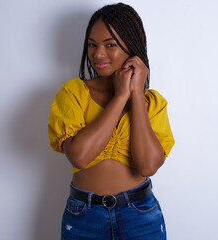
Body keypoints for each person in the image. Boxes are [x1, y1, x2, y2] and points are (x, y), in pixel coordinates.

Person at [48, 3, 175, 239]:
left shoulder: (151, 103)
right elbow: (80, 156)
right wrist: (120, 96)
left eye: (110, 45)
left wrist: (136, 94)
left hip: (141, 216)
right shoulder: (74, 92)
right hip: (84, 217)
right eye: (92, 45)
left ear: (131, 47)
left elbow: (148, 166)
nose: (98, 54)